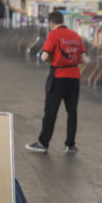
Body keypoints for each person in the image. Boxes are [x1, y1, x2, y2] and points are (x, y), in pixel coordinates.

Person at [25, 10, 86, 154]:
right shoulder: (76, 35)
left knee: (51, 111)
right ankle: (70, 145)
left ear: (51, 23)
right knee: (72, 112)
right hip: (74, 77)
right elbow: (83, 59)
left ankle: (43, 143)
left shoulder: (53, 34)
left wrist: (54, 59)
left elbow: (44, 57)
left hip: (58, 76)